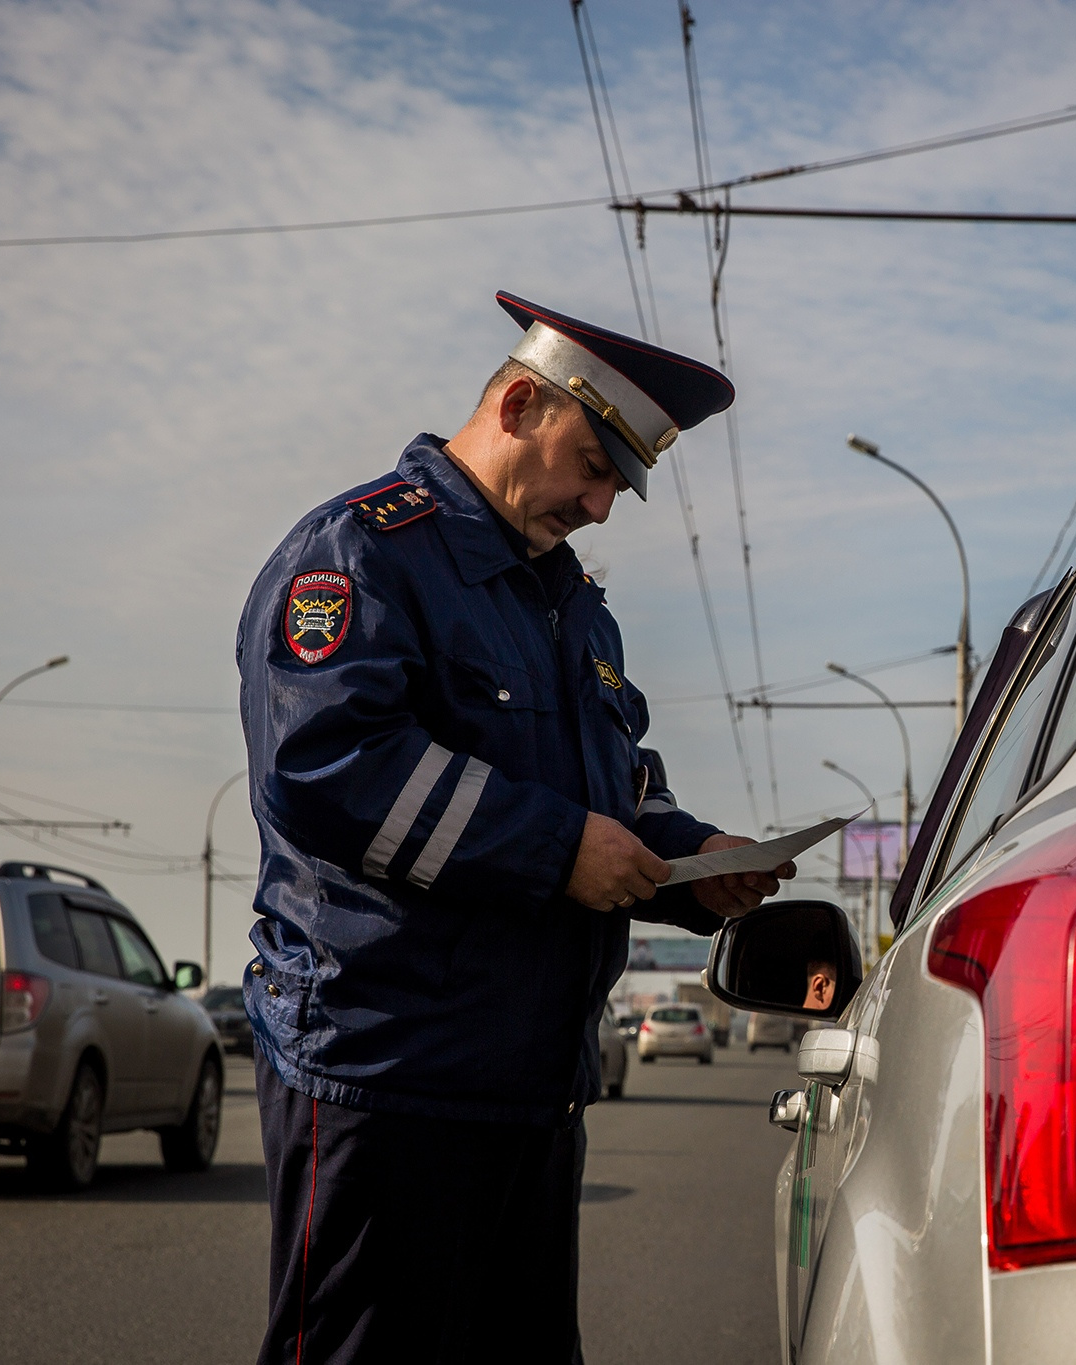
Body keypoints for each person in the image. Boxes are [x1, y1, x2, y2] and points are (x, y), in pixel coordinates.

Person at [236, 291, 793, 1364]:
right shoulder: (362, 553)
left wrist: (689, 864)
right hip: (382, 1067)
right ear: (521, 401)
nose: (598, 506)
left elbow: (606, 794)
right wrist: (558, 852)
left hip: (527, 1079)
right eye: (591, 465)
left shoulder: (567, 600)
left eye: (618, 482)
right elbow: (323, 766)